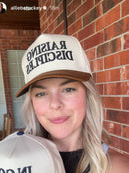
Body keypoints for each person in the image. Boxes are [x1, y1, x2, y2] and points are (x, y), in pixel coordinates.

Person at [16, 34, 129, 173]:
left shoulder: (119, 168)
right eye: (41, 93)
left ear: (88, 95)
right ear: (32, 103)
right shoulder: (15, 164)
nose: (55, 104)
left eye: (68, 89)